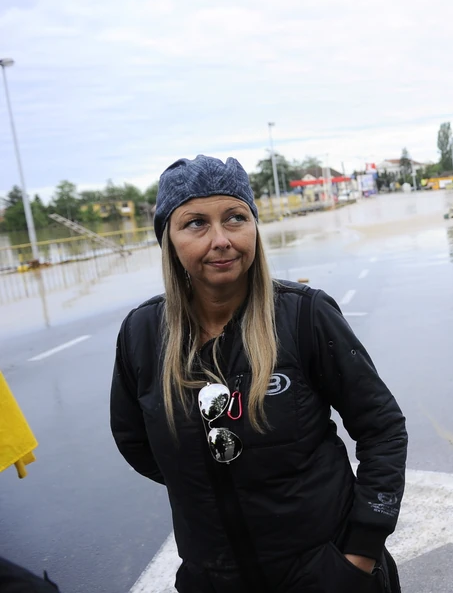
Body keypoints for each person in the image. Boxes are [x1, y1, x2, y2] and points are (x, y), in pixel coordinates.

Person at [110, 155, 408, 593]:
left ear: (253, 225)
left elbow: (382, 429)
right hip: (212, 577)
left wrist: (359, 553)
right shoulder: (142, 333)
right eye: (195, 224)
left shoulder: (304, 315)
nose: (221, 240)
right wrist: (215, 479)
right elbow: (135, 441)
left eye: (235, 218)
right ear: (168, 240)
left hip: (326, 573)